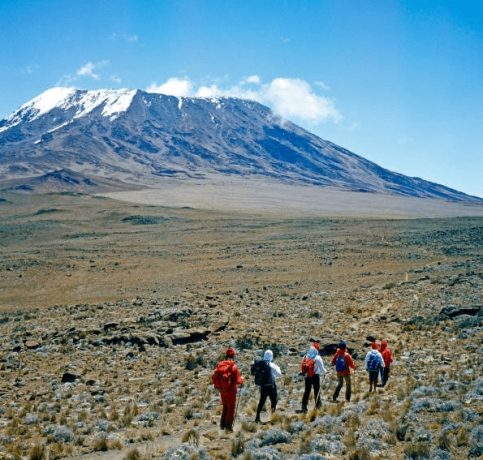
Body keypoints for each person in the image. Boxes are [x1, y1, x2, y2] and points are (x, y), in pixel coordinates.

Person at [212, 347, 244, 431]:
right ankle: (228, 428)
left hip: (222, 391)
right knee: (231, 408)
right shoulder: (233, 366)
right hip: (231, 391)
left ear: (226, 355)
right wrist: (242, 380)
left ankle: (222, 425)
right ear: (233, 356)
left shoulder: (220, 364)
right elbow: (238, 380)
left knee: (225, 407)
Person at [253, 349, 282, 423]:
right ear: (271, 356)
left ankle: (257, 417)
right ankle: (273, 416)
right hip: (271, 386)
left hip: (263, 386)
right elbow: (279, 374)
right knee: (274, 400)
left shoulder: (260, 364)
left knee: (262, 401)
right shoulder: (272, 365)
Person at [300, 344, 327, 412]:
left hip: (307, 376)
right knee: (316, 390)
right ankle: (318, 405)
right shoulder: (317, 357)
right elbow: (322, 369)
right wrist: (325, 372)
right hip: (315, 376)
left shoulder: (306, 356)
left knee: (307, 391)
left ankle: (304, 405)